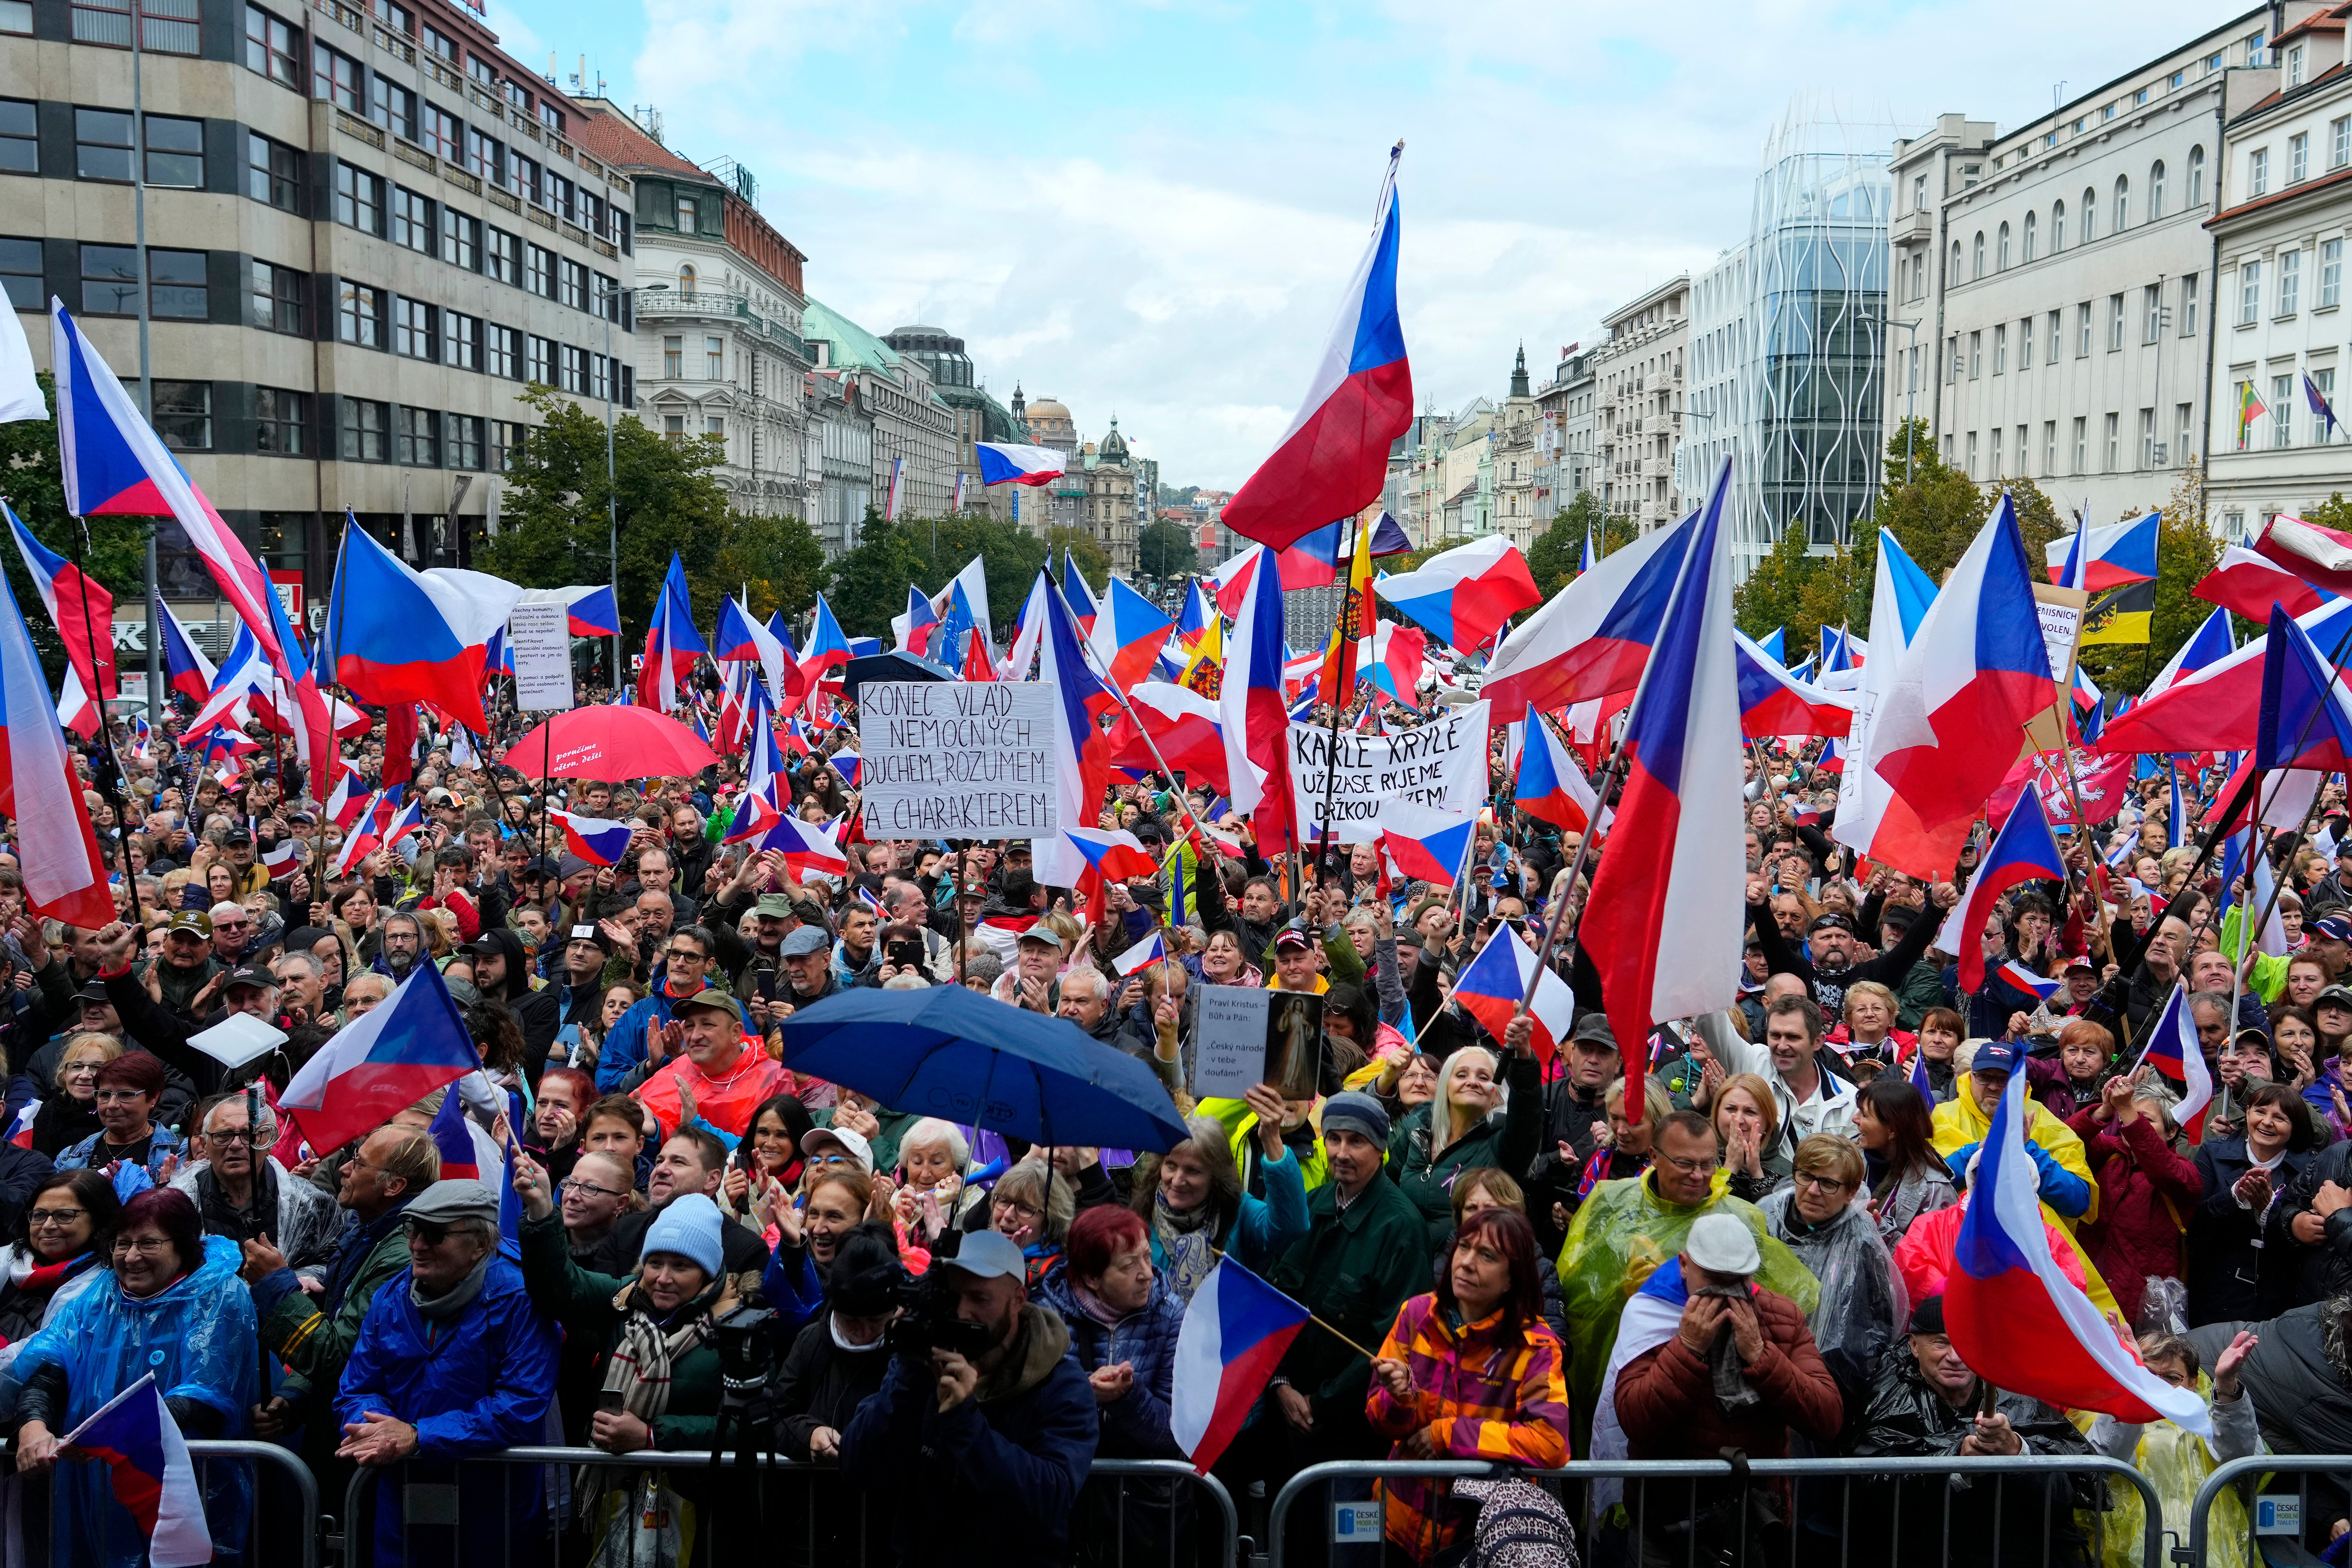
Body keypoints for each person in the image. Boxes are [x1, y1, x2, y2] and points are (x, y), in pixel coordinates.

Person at [513, 1157, 751, 1555]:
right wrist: (541, 1213)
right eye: (655, 1263)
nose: (663, 1277)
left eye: (681, 1266)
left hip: (703, 1511)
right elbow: (561, 1288)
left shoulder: (738, 1326)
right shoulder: (627, 1300)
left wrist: (651, 1435)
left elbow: (749, 1424)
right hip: (617, 1493)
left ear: (708, 1273)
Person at [9, 1189, 258, 1567]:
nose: (131, 1257)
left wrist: (109, 1435)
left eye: (149, 1243)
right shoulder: (100, 1295)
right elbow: (51, 1367)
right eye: (122, 1244)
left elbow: (204, 1397)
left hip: (181, 1485)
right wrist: (32, 1424)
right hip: (96, 1477)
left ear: (183, 1246)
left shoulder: (220, 1294)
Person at [1555, 1101, 1819, 1452]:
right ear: (1654, 1156)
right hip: (1614, 1368)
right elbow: (1574, 1291)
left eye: (1707, 1163)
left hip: (1715, 1397)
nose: (1697, 1175)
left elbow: (1773, 1306)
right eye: (1684, 1164)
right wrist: (1627, 1295)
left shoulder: (1740, 1218)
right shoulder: (1608, 1203)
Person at [837, 1228, 1097, 1568]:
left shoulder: (1062, 1386)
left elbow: (1047, 1501)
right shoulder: (924, 1366)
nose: (963, 1312)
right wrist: (911, 1375)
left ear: (1018, 1299)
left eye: (980, 1299)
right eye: (953, 1297)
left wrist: (963, 1422)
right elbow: (859, 1465)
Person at [333, 1179, 561, 1567]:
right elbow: (356, 1389)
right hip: (402, 1508)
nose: (418, 1245)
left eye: (435, 1234)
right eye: (412, 1231)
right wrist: (374, 1431)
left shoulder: (522, 1298)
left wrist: (420, 1436)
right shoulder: (390, 1296)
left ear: (480, 1244)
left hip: (492, 1512)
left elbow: (521, 1405)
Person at [1607, 1211, 1842, 1565]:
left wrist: (1763, 1357)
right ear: (1684, 1265)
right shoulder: (1651, 1314)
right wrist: (1686, 1348)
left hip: (1753, 1519)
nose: (1725, 1292)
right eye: (1714, 1279)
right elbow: (1634, 1420)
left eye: (1738, 1280)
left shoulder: (1780, 1316)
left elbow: (1827, 1417)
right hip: (1666, 1522)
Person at [1264, 1091, 1429, 1563]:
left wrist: (1322, 1402)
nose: (1341, 1152)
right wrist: (1280, 1385)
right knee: (1296, 1545)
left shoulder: (1401, 1227)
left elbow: (1393, 1338)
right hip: (1293, 1421)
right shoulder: (1310, 1206)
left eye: (1355, 1141)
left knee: (1351, 1552)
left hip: (1357, 1434)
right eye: (1333, 1138)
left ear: (1380, 1147)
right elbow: (1278, 1303)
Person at [240, 1125, 441, 1507]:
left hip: (366, 1443)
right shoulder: (367, 1234)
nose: (344, 1170)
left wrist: (276, 1285)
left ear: (393, 1186)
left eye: (358, 1162)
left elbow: (336, 1354)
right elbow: (338, 1325)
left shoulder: (400, 1255)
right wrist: (295, 1395)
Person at [1366, 1206, 1571, 1566]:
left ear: (1512, 1278)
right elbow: (1380, 1422)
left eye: (1487, 1256)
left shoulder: (1535, 1346)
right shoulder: (1416, 1315)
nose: (1466, 1263)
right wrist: (1399, 1399)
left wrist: (1450, 1435)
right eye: (1463, 1247)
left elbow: (1550, 1443)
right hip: (1396, 1521)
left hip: (1480, 1537)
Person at [1849, 1295, 2098, 1564]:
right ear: (1914, 1345)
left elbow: (2067, 1491)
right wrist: (1957, 1463)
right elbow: (1872, 1488)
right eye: (1941, 1343)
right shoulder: (1889, 1398)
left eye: (1966, 1343)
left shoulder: (2015, 1395)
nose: (1955, 1357)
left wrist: (2018, 1452)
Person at [1034, 1205, 1189, 1565]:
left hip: (1143, 1504)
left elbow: (1174, 1429)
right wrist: (1080, 1394)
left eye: (1147, 1257)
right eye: (1127, 1266)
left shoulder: (1169, 1313)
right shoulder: (1045, 1316)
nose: (1146, 1274)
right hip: (1065, 1498)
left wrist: (1127, 1397)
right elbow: (1030, 1415)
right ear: (1091, 1278)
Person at [2083, 1330, 2264, 1568]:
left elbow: (2240, 1457)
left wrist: (2227, 1384)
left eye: (2171, 1377)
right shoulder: (2107, 1412)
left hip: (2212, 1546)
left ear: (2193, 1383)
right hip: (2134, 1549)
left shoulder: (2209, 1417)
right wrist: (2132, 1388)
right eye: (2148, 1373)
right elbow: (2105, 1457)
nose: (2158, 1383)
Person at [1759, 1134, 1907, 1418]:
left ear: (1851, 1191)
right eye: (1806, 1176)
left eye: (1828, 1183)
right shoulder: (1766, 1217)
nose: (1813, 1190)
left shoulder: (1861, 1237)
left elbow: (1876, 1325)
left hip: (1828, 1383)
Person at [1127, 1086, 1309, 1302]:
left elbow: (1291, 1226)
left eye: (1192, 1171)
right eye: (1171, 1166)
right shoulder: (1141, 1212)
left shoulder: (1239, 1213)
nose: (1176, 1180)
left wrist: (1272, 1140)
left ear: (1216, 1177)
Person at [1388, 1021, 1541, 1245]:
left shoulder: (1503, 1144)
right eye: (1461, 1074)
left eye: (1484, 1077)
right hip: (1400, 1260)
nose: (1472, 1081)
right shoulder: (1419, 1128)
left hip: (1456, 1270)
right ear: (1445, 1087)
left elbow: (1527, 1116)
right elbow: (1385, 1184)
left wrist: (1523, 1055)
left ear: (1496, 1096)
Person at [2069, 1074, 2204, 1324]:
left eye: (2147, 1119)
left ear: (2172, 1131)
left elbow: (2160, 1166)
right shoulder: (2110, 1153)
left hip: (2139, 1307)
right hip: (2086, 1290)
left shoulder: (2185, 1172)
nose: (2130, 1121)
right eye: (2128, 1116)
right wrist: (2105, 1109)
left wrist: (2128, 1107)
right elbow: (2067, 1139)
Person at [1930, 1038, 2095, 1228]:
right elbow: (1925, 1185)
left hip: (2030, 1242)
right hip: (1954, 1236)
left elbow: (2078, 1202)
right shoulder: (1942, 1117)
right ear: (1970, 1078)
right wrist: (1978, 1152)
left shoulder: (2047, 1123)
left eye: (2004, 1080)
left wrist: (2027, 1151)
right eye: (1984, 1077)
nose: (1993, 1087)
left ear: (2023, 1086)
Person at [2189, 1082, 2318, 1325]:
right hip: (2216, 1290)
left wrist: (2270, 1207)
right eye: (2260, 1111)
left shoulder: (2309, 1168)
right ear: (2247, 1113)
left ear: (2295, 1127)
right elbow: (2196, 1222)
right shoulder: (2213, 1153)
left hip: (2278, 1297)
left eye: (2280, 1117)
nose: (2267, 1122)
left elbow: (2304, 1244)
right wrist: (2235, 1195)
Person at [169, 1093, 340, 1266]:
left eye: (249, 1135)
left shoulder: (310, 1203)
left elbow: (332, 1264)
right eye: (223, 1135)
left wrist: (287, 1280)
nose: (236, 1145)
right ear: (204, 1144)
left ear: (270, 1142)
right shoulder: (179, 1204)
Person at [0, 1170, 118, 1357]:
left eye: (64, 1215)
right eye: (39, 1215)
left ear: (99, 1219)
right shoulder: (11, 1260)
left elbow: (46, 1355)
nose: (47, 1226)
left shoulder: (108, 1284)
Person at [52, 1052, 184, 1187]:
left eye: (126, 1095)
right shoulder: (70, 1157)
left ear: (153, 1099)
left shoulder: (180, 1152)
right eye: (104, 1095)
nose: (112, 1104)